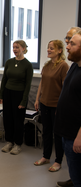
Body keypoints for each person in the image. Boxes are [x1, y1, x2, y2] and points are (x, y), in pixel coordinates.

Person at [34, 40, 69, 172]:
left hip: (56, 105)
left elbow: (65, 88)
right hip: (44, 103)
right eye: (48, 48)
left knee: (58, 134)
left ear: (60, 50)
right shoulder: (47, 65)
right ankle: (46, 157)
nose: (48, 50)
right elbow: (42, 83)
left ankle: (58, 161)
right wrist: (37, 99)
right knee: (46, 131)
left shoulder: (64, 66)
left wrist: (61, 107)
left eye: (52, 48)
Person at [54, 31, 81, 187]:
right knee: (74, 170)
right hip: (67, 130)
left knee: (78, 177)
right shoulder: (74, 67)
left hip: (76, 135)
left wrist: (80, 135)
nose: (67, 47)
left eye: (72, 44)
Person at [0, 40, 33, 155]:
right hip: (8, 93)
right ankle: (9, 142)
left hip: (19, 95)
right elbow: (4, 79)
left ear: (23, 48)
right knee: (7, 118)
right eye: (13, 47)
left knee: (18, 120)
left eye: (17, 47)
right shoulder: (9, 62)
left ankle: (18, 144)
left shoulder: (28, 65)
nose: (14, 49)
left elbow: (28, 85)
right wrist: (1, 94)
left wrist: (23, 100)